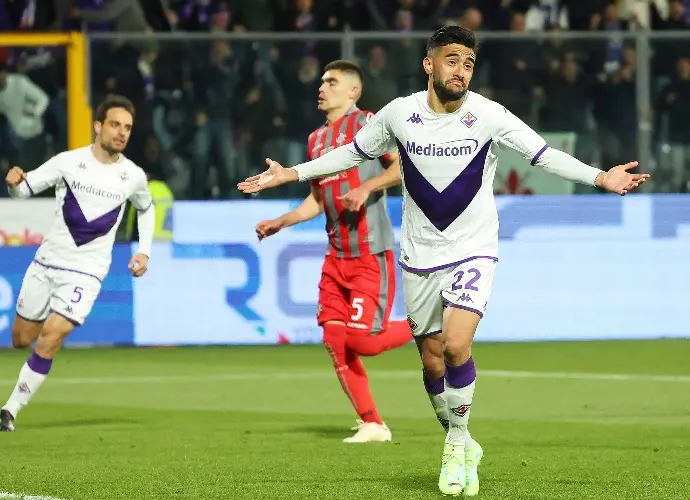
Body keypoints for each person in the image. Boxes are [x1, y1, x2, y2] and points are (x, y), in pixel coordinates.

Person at [238, 27, 649, 496]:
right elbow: (350, 154)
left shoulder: (489, 115)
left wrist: (601, 177)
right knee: (432, 363)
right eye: (452, 60)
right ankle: (458, 436)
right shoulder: (399, 114)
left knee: (456, 346)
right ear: (429, 64)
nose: (461, 70)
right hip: (419, 257)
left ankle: (456, 443)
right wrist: (289, 174)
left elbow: (544, 154)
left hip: (473, 249)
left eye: (469, 63)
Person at [255, 60, 413, 444]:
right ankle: (372, 423)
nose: (322, 87)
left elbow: (405, 168)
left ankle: (426, 324)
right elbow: (316, 198)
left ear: (353, 92)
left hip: (370, 252)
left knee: (362, 341)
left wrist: (367, 187)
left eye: (332, 82)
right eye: (322, 81)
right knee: (334, 338)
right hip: (336, 256)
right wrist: (283, 220)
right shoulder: (315, 140)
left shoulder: (369, 125)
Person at [0, 95, 156, 432]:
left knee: (51, 337)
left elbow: (146, 207)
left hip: (87, 271)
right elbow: (24, 190)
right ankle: (20, 391)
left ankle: (10, 410)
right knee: (22, 338)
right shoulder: (67, 162)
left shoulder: (133, 175)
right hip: (47, 263)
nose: (121, 132)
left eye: (127, 127)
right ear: (98, 126)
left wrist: (145, 250)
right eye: (115, 124)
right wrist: (13, 184)